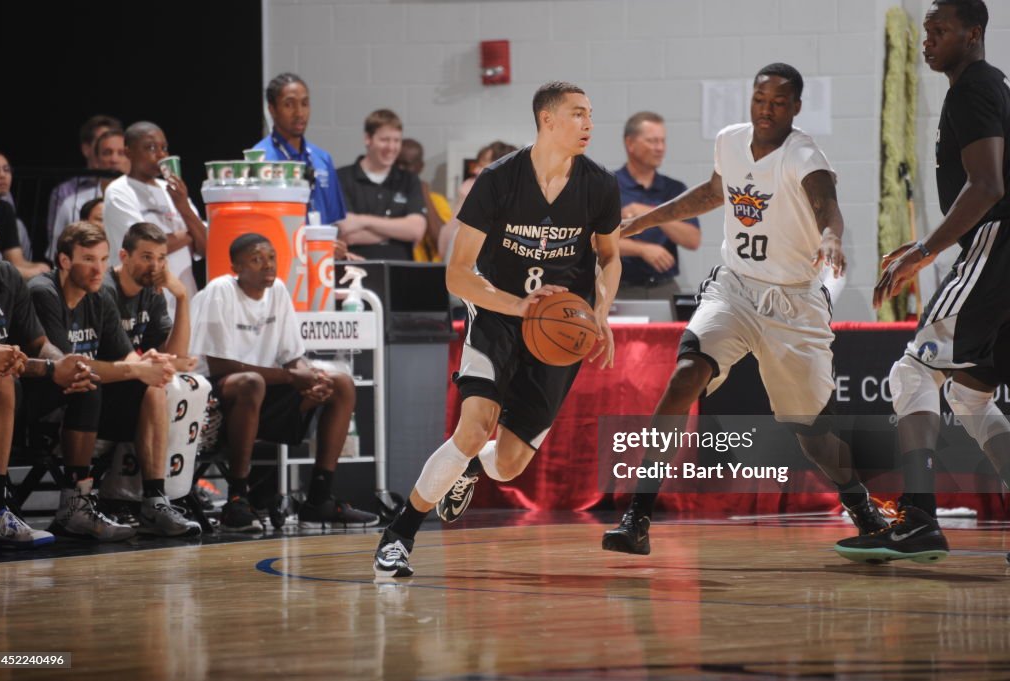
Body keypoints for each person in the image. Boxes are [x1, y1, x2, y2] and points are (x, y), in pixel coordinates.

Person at [601, 63, 887, 556]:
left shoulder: (803, 155)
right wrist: (644, 221)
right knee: (684, 378)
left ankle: (860, 504)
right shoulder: (730, 141)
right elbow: (714, 192)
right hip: (734, 288)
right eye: (759, 100)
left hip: (793, 303)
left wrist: (832, 236)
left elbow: (827, 205)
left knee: (812, 435)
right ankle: (637, 517)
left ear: (796, 108)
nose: (766, 111)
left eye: (778, 103)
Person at [373, 81, 622, 578]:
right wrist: (518, 305)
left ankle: (469, 467)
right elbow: (458, 273)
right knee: (473, 427)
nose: (589, 124)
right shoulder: (498, 180)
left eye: (591, 114)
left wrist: (602, 310)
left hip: (559, 333)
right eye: (578, 114)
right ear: (547, 120)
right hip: (497, 319)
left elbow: (610, 256)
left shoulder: (599, 184)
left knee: (507, 465)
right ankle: (399, 534)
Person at [836, 0, 1010, 564]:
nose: (927, 39)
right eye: (926, 30)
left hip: (994, 248)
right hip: (1000, 254)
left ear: (974, 34)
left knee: (912, 373)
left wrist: (923, 250)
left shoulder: (974, 89)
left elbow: (986, 186)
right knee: (969, 393)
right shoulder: (988, 86)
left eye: (940, 30)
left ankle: (917, 520)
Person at [190, 233, 377, 532]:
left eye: (272, 257)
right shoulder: (220, 291)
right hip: (216, 402)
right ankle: (237, 499)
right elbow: (219, 366)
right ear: (236, 266)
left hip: (262, 394)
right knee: (251, 383)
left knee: (339, 383)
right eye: (256, 259)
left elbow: (293, 357)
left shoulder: (277, 290)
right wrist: (292, 376)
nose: (268, 265)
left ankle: (318, 499)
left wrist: (311, 378)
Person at [28, 221, 176, 541]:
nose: (99, 269)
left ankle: (154, 500)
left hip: (83, 398)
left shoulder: (98, 295)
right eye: (89, 259)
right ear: (65, 261)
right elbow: (67, 366)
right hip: (36, 397)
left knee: (151, 387)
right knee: (89, 381)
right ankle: (75, 504)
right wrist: (135, 370)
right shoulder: (44, 292)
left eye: (103, 259)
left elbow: (125, 355)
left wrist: (151, 365)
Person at [0, 205, 97, 548]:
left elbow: (39, 342)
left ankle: (75, 504)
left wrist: (61, 363)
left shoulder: (5, 275)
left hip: (9, 391)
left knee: (85, 381)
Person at [98, 222, 204, 537]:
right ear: (124, 256)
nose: (155, 266)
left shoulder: (153, 294)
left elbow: (177, 354)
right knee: (157, 388)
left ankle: (156, 500)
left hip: (128, 384)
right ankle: (154, 501)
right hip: (95, 385)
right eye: (146, 257)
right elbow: (129, 358)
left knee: (162, 385)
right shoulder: (105, 289)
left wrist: (182, 296)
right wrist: (160, 361)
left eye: (161, 258)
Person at [104, 122, 207, 315]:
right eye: (151, 147)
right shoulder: (119, 191)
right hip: (141, 304)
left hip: (183, 302)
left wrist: (184, 207)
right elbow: (145, 247)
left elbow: (207, 246)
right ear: (129, 151)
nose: (161, 155)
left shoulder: (173, 192)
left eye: (164, 148)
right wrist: (189, 235)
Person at [616, 112, 701, 302]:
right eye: (652, 141)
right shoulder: (608, 186)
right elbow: (593, 241)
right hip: (619, 290)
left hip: (664, 288)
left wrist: (650, 214)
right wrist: (642, 249)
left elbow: (692, 240)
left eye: (663, 141)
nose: (660, 148)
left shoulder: (675, 189)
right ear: (630, 143)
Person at [253, 73, 347, 226]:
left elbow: (334, 222)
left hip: (318, 248)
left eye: (304, 104)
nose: (299, 113)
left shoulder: (322, 159)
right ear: (272, 110)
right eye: (289, 105)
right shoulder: (260, 159)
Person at [337, 110, 427, 261]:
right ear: (368, 139)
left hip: (401, 274)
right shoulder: (342, 178)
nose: (391, 147)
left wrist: (361, 221)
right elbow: (347, 233)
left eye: (396, 140)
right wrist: (398, 232)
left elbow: (416, 230)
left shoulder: (409, 180)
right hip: (355, 271)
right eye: (385, 140)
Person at [48, 129, 128, 260]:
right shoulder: (71, 204)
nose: (114, 159)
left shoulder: (146, 200)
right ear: (96, 160)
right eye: (107, 153)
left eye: (121, 153)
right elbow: (56, 254)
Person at [0, 149, 50, 279]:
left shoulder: (5, 209)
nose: (2, 175)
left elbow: (16, 261)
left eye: (7, 169)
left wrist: (42, 269)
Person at [396, 138, 451, 263]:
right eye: (396, 163)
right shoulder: (386, 196)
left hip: (425, 272)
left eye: (406, 164)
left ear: (419, 167)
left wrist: (423, 194)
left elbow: (442, 242)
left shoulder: (436, 200)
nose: (400, 168)